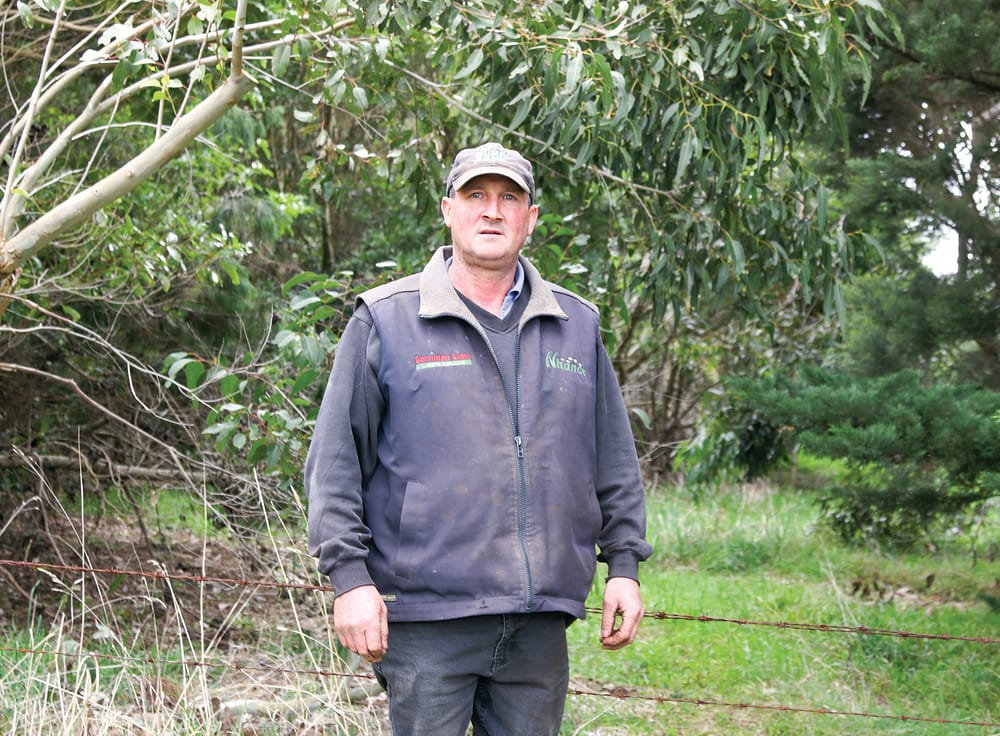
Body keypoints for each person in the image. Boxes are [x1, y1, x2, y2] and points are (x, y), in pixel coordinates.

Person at [306, 141, 653, 736]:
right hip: (426, 621)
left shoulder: (576, 326)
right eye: (475, 196)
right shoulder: (386, 320)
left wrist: (623, 565)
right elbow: (334, 465)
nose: (491, 211)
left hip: (537, 624)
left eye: (508, 198)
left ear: (530, 218)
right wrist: (350, 581)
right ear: (448, 210)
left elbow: (612, 459)